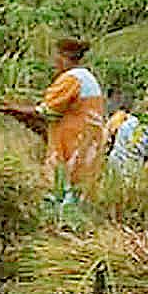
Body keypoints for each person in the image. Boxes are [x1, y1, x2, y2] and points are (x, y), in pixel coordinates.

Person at [39, 39, 106, 195]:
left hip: (73, 142)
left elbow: (47, 110)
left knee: (64, 188)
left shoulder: (71, 79)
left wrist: (11, 108)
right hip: (89, 142)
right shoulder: (88, 77)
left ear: (62, 57)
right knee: (83, 188)